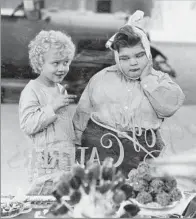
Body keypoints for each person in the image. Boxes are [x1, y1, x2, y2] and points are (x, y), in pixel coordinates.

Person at [73, 11, 185, 176]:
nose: (133, 62)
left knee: (138, 191)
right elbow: (82, 114)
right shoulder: (101, 79)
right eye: (125, 58)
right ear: (117, 58)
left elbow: (168, 107)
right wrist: (77, 145)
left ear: (148, 53)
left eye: (139, 55)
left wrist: (147, 79)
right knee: (104, 192)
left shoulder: (161, 80)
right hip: (102, 145)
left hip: (143, 147)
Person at [19, 30, 77, 182]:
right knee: (43, 199)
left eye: (66, 62)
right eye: (55, 63)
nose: (62, 68)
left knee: (65, 199)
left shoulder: (60, 89)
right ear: (40, 63)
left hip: (65, 160)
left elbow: (63, 126)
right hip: (44, 163)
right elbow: (27, 125)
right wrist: (52, 107)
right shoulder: (32, 90)